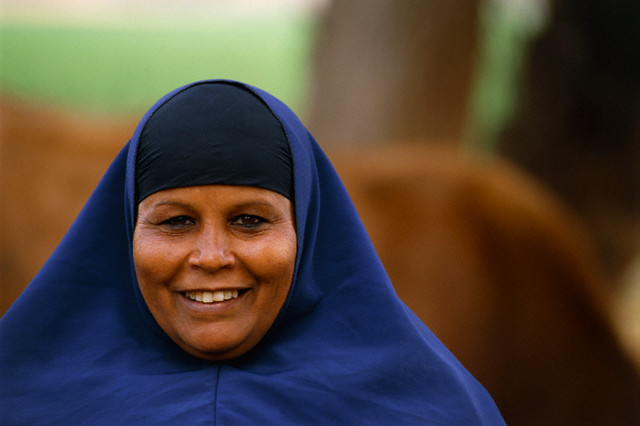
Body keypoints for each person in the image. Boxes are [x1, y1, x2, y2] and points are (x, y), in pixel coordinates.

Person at [0, 80, 504, 424]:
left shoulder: (431, 409)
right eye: (176, 222)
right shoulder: (24, 399)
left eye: (250, 221)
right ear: (122, 234)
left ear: (308, 232)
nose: (213, 256)